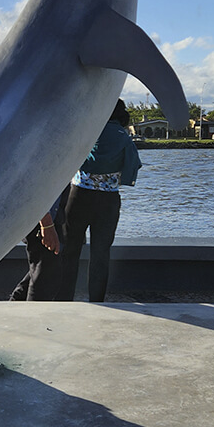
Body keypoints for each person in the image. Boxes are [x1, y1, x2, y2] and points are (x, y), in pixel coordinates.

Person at [59, 99, 141, 302]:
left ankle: (64, 298)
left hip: (78, 196)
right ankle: (96, 299)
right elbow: (133, 166)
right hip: (108, 201)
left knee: (70, 251)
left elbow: (67, 157)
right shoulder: (123, 136)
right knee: (101, 254)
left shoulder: (89, 130)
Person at [8, 186, 69, 301]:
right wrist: (46, 225)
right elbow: (34, 187)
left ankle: (14, 305)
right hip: (42, 220)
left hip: (52, 215)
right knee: (44, 280)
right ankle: (32, 316)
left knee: (41, 269)